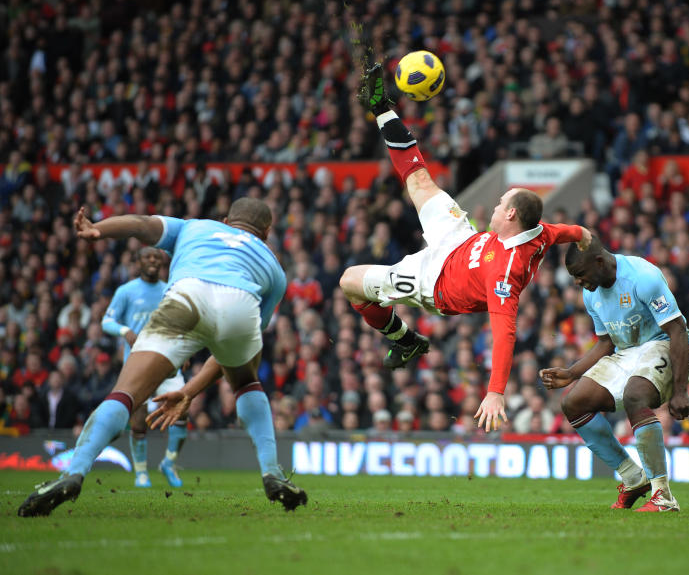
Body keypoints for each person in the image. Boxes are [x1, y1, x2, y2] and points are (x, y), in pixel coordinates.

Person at [18, 198, 306, 517]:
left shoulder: (195, 226)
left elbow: (141, 224)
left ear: (225, 220)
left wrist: (98, 228)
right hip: (240, 303)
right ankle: (271, 473)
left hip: (187, 295)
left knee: (125, 394)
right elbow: (230, 350)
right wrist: (189, 392)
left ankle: (73, 473)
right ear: (266, 232)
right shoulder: (275, 270)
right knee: (246, 382)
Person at [342, 64, 591, 432]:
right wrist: (586, 237)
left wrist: (495, 392)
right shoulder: (537, 231)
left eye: (499, 202)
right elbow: (567, 231)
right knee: (419, 179)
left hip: (435, 283)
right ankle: (382, 107)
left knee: (350, 281)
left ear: (509, 214)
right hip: (461, 239)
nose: (493, 204)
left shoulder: (505, 272)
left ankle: (403, 339)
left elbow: (505, 331)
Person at [540, 237, 689, 512]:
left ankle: (663, 496)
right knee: (573, 403)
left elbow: (676, 330)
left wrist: (681, 390)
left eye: (580, 274)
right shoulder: (591, 294)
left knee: (635, 394)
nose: (577, 282)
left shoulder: (643, 277)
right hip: (628, 352)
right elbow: (605, 342)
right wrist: (572, 372)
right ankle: (633, 477)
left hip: (664, 343)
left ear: (599, 262)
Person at [101, 247, 188, 488]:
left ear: (161, 263)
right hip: (138, 364)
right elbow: (106, 320)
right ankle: (141, 473)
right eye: (147, 257)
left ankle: (169, 463)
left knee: (182, 412)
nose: (152, 260)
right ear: (138, 261)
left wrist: (184, 347)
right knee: (138, 421)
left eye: (156, 258)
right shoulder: (126, 291)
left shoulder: (170, 290)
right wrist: (125, 330)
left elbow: (179, 323)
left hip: (168, 363)